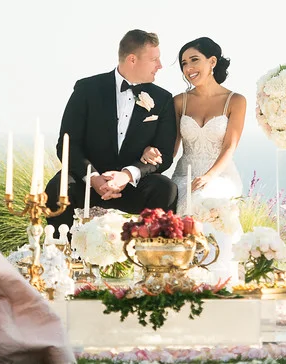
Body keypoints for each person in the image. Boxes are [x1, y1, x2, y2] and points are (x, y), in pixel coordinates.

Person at [45, 30, 178, 229]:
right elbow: (67, 144)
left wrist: (127, 174)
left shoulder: (163, 99)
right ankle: (60, 252)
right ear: (132, 59)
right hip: (88, 181)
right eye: (154, 60)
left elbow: (164, 155)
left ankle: (152, 253)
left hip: (133, 185)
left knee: (166, 189)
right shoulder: (86, 89)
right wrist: (94, 178)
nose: (160, 66)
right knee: (59, 187)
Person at [150, 38, 245, 283]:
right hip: (185, 174)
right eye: (184, 63)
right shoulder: (179, 101)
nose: (189, 68)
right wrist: (148, 164)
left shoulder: (235, 101)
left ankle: (219, 275)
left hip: (220, 174)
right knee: (180, 196)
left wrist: (210, 176)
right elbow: (171, 149)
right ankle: (184, 274)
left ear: (212, 61)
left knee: (210, 198)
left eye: (194, 60)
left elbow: (229, 147)